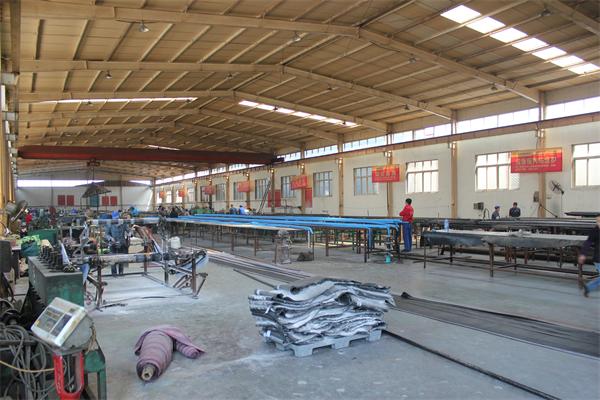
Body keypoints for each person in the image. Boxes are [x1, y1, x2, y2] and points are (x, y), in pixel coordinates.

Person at [579, 216, 600, 297]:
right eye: (598, 221)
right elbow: (587, 243)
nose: (599, 223)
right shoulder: (594, 231)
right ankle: (588, 287)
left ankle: (588, 288)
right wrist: (583, 254)